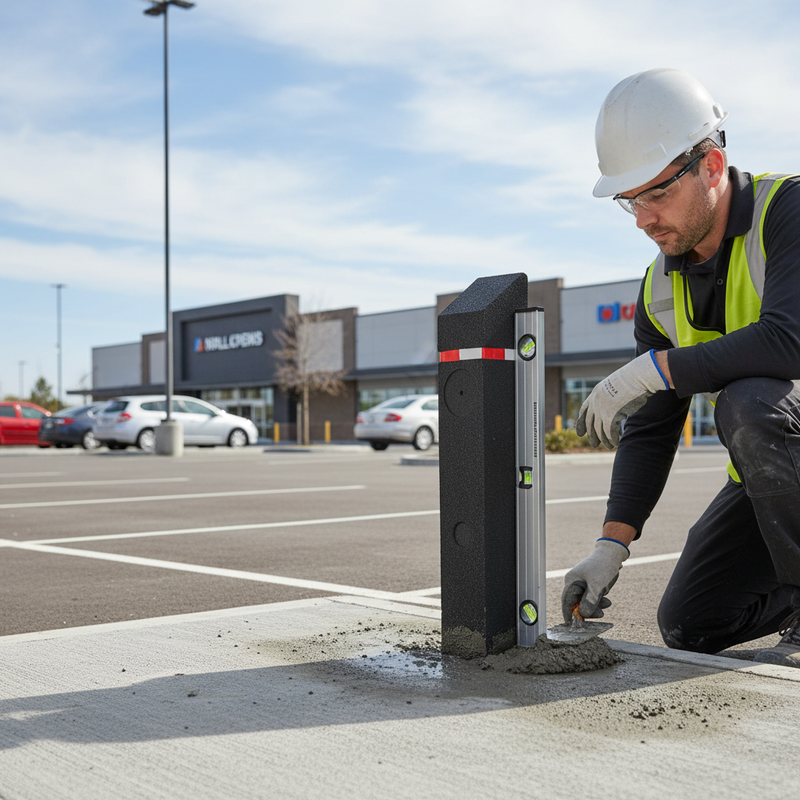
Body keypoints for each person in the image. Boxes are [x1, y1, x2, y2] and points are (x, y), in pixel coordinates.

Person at [563, 67, 800, 668]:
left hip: (784, 437)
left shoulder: (789, 211)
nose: (643, 219)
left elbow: (788, 340)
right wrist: (609, 546)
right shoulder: (658, 289)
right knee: (693, 622)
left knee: (747, 402)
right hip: (776, 479)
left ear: (712, 168)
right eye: (630, 200)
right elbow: (652, 425)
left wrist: (654, 369)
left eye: (657, 193)